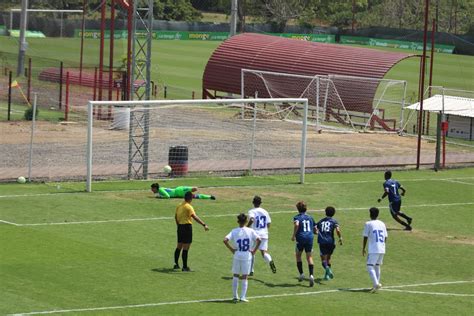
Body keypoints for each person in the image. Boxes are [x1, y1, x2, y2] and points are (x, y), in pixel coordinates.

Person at [224, 213, 261, 303]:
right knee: (245, 276)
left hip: (237, 255)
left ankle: (234, 296)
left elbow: (225, 240)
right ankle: (243, 297)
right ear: (246, 221)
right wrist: (254, 251)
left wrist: (232, 249)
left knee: (235, 275)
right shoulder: (251, 231)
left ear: (238, 221)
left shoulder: (234, 231)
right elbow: (259, 240)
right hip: (247, 256)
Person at [174, 191, 209, 271]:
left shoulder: (179, 205)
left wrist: (178, 226)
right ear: (191, 198)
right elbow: (194, 217)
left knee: (179, 246)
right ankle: (185, 267)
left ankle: (176, 264)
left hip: (180, 227)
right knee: (186, 247)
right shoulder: (189, 207)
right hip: (187, 227)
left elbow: (175, 217)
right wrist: (204, 224)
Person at [247, 196, 276, 275]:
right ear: (260, 203)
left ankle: (251, 270)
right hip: (264, 234)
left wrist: (246, 227)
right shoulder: (265, 211)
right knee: (264, 253)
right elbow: (269, 223)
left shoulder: (251, 211)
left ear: (253, 203)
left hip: (255, 234)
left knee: (251, 251)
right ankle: (270, 261)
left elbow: (252, 219)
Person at [291, 201, 316, 287]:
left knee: (298, 255)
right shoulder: (310, 217)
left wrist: (293, 235)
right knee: (309, 257)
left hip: (301, 238)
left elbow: (297, 224)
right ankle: (311, 275)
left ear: (298, 209)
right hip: (310, 237)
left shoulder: (296, 217)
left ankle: (301, 274)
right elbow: (315, 229)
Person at [362, 207, 388, 293]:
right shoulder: (382, 223)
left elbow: (365, 236)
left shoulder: (368, 223)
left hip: (374, 248)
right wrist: (383, 246)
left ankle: (376, 283)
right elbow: (385, 237)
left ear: (370, 214)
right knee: (377, 265)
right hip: (382, 248)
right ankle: (376, 285)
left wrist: (363, 248)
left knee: (369, 266)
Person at [315, 206, 342, 281]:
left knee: (323, 259)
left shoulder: (321, 221)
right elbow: (338, 230)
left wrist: (316, 232)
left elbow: (315, 228)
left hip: (322, 242)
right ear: (334, 213)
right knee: (328, 258)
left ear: (325, 212)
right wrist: (340, 237)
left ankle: (327, 270)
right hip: (331, 242)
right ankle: (326, 276)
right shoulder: (334, 221)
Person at [151, 183, 215, 200]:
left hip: (179, 191)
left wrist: (159, 197)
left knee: (195, 191)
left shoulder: (160, 190)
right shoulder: (160, 190)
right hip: (179, 191)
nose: (152, 190)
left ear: (155, 188)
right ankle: (209, 197)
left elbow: (168, 196)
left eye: (152, 189)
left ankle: (209, 197)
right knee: (195, 196)